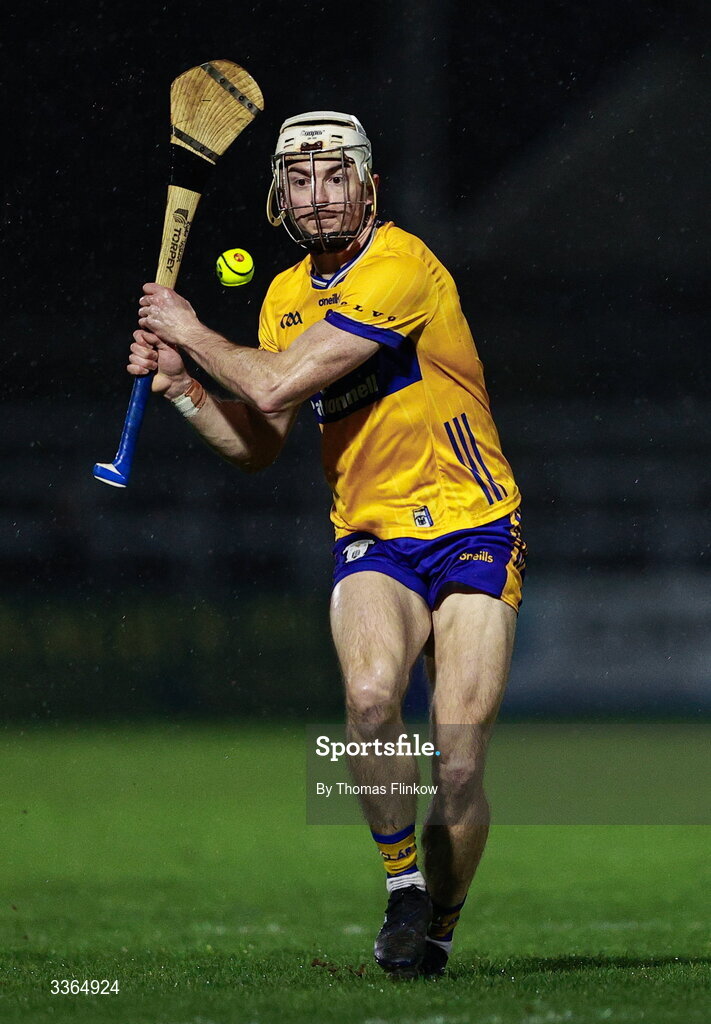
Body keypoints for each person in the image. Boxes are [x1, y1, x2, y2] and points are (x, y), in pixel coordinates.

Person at [130, 111, 527, 979]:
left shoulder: (401, 265)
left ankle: (439, 933)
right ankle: (402, 890)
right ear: (281, 196)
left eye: (335, 176)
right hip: (372, 538)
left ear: (367, 187)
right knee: (368, 696)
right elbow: (260, 439)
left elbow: (276, 378)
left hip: (473, 527)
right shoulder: (280, 296)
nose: (318, 195)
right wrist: (181, 386)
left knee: (457, 764)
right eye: (301, 180)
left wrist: (190, 329)